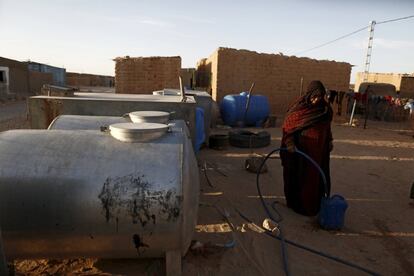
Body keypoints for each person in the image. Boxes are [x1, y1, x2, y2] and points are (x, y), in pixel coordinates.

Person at [280, 80, 333, 216]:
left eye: (320, 97)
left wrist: (330, 140)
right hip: (300, 153)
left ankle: (312, 207)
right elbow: (288, 127)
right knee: (298, 177)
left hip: (318, 153)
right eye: (314, 97)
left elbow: (327, 128)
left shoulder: (326, 110)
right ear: (309, 95)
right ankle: (296, 204)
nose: (316, 100)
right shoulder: (299, 110)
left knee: (314, 180)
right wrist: (289, 143)